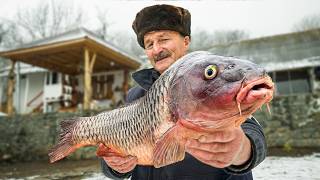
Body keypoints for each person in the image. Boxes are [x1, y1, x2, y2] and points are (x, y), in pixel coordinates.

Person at [98, 4, 266, 180]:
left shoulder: (213, 78)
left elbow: (250, 131)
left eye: (163, 39)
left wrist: (241, 150)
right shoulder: (135, 95)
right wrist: (114, 166)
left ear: (186, 41)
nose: (156, 49)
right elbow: (118, 146)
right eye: (149, 44)